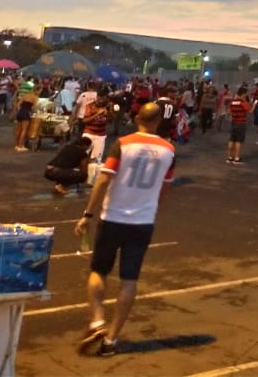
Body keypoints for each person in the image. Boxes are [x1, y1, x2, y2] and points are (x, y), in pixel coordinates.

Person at [75, 102, 177, 357]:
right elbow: (165, 188)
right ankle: (111, 339)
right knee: (129, 281)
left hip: (113, 218)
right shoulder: (169, 150)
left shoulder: (123, 143)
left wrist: (88, 213)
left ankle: (98, 319)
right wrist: (153, 207)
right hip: (142, 222)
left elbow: (104, 178)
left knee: (98, 270)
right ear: (158, 123)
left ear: (136, 119)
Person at [226, 86, 251, 165]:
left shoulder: (232, 102)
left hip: (234, 122)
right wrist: (253, 105)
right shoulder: (244, 103)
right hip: (241, 123)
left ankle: (229, 157)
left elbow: (229, 112)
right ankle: (237, 158)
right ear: (243, 94)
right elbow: (250, 111)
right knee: (238, 141)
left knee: (231, 140)